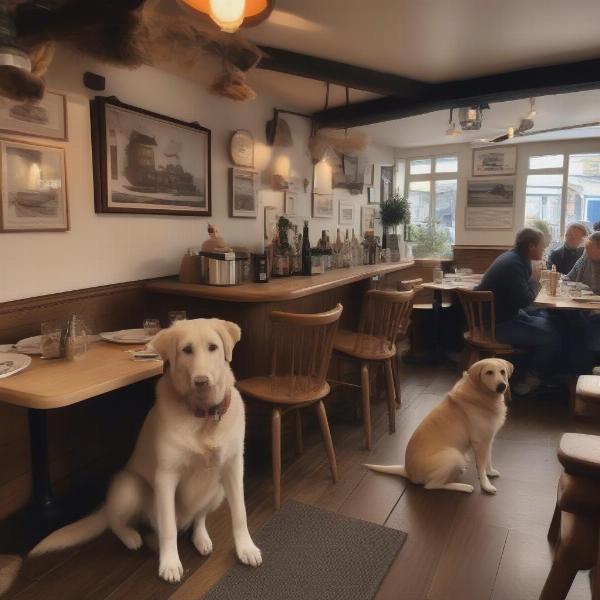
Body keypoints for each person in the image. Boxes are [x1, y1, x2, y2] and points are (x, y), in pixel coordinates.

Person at [476, 228, 561, 395]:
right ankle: (531, 379)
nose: (544, 251)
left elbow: (521, 301)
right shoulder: (514, 264)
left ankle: (529, 372)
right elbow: (523, 301)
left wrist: (532, 280)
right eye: (542, 247)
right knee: (552, 336)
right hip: (496, 325)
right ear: (531, 246)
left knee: (551, 322)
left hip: (501, 316)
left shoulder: (514, 257)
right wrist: (536, 281)